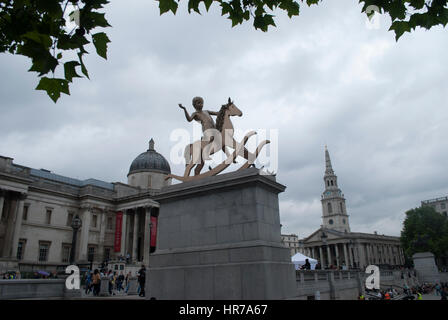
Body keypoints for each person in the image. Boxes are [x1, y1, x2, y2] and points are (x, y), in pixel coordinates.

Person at [178, 97, 220, 161]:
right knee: (211, 138)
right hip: (207, 130)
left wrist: (225, 109)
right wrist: (184, 109)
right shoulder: (195, 114)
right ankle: (205, 153)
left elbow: (217, 113)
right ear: (194, 105)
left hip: (214, 127)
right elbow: (189, 119)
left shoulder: (206, 111)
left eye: (202, 103)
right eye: (199, 103)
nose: (201, 104)